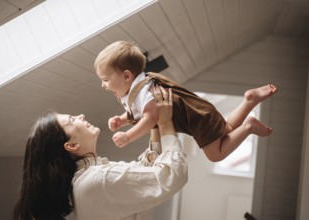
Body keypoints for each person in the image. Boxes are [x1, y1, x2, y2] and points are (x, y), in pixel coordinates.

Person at [13, 86, 188, 220]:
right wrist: (165, 124)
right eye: (72, 120)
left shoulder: (92, 175)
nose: (80, 115)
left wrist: (155, 123)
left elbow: (145, 170)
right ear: (72, 145)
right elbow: (172, 176)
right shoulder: (98, 179)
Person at [94, 40, 278, 162]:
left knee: (216, 155)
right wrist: (121, 120)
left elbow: (149, 118)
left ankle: (249, 127)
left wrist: (128, 136)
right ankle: (249, 101)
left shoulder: (144, 92)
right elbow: (140, 112)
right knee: (226, 129)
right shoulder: (138, 88)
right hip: (201, 113)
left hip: (197, 119)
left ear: (127, 76)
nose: (103, 85)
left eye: (105, 80)